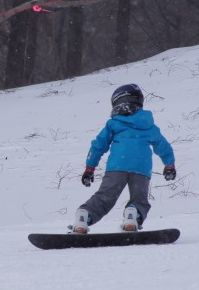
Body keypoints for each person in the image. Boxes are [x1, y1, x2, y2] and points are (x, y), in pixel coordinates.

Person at [71, 84, 176, 234]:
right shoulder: (149, 125)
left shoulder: (113, 124)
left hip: (117, 167)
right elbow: (163, 146)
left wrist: (90, 168)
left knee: (105, 198)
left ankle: (84, 216)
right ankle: (132, 216)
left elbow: (98, 145)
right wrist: (169, 165)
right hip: (141, 168)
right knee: (139, 199)